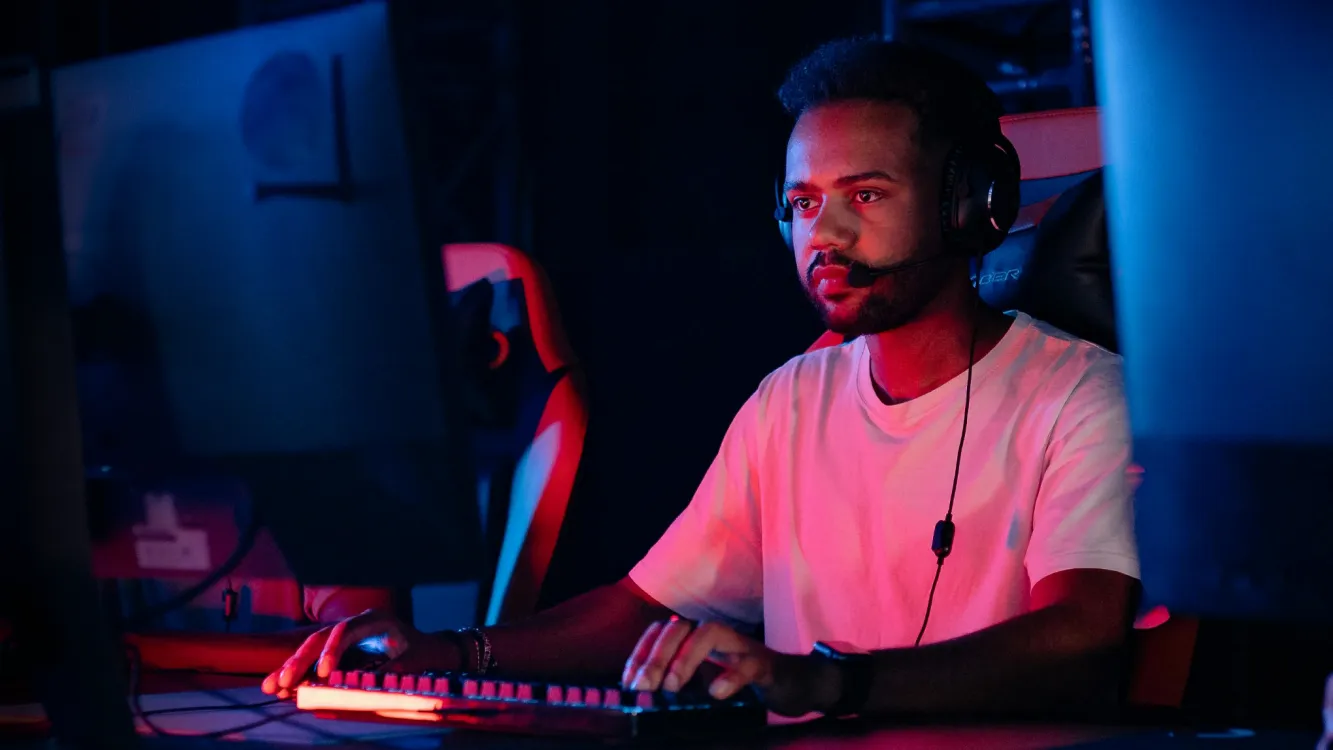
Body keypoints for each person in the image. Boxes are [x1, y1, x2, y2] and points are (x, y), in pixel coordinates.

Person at [263, 37, 1140, 721]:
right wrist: (447, 655)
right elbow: (644, 609)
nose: (822, 235)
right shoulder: (789, 401)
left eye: (864, 195)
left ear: (968, 204)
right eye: (802, 203)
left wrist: (824, 684)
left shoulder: (1080, 396)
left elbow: (1080, 636)